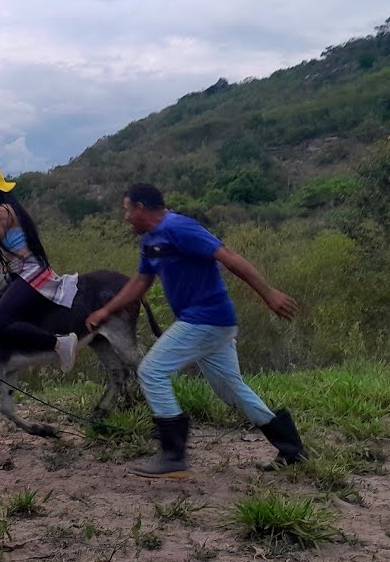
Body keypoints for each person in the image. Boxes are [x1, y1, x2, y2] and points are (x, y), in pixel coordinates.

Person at [85, 183, 307, 478]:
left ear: (140, 208)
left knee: (151, 371)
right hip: (210, 323)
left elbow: (229, 257)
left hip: (206, 319)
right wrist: (106, 311)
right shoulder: (151, 241)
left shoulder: (180, 228)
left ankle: (173, 455)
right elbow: (140, 283)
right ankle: (292, 449)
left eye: (127, 210)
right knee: (230, 389)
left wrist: (269, 293)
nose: (125, 217)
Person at [0, 169, 80, 372]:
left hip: (33, 274)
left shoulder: (2, 212)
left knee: (1, 322)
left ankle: (60, 343)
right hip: (20, 275)